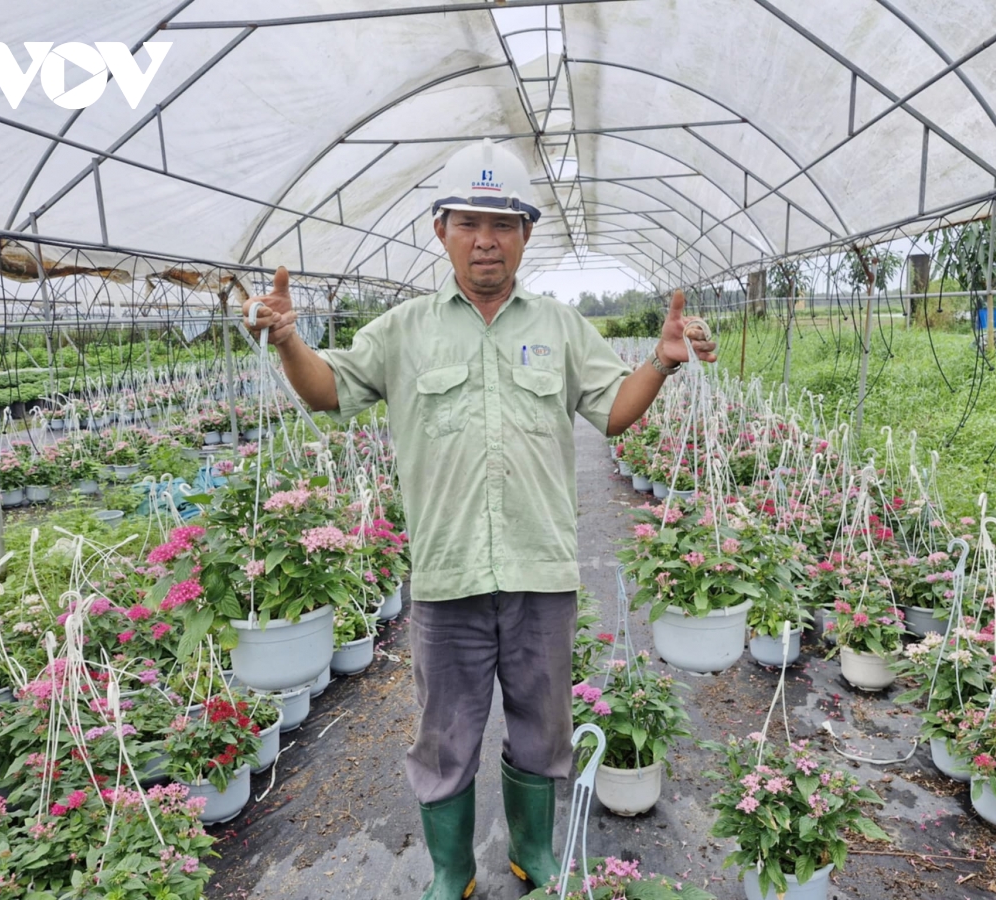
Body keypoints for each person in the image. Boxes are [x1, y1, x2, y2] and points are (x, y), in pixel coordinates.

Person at [242, 138, 717, 900]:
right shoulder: (403, 331)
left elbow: (614, 415)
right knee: (444, 738)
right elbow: (329, 393)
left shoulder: (561, 328)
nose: (485, 239)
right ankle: (452, 872)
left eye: (502, 223)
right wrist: (291, 340)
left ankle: (532, 853)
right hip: (447, 574)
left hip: (540, 571)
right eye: (468, 222)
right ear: (441, 230)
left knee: (543, 730)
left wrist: (659, 362)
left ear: (527, 233)